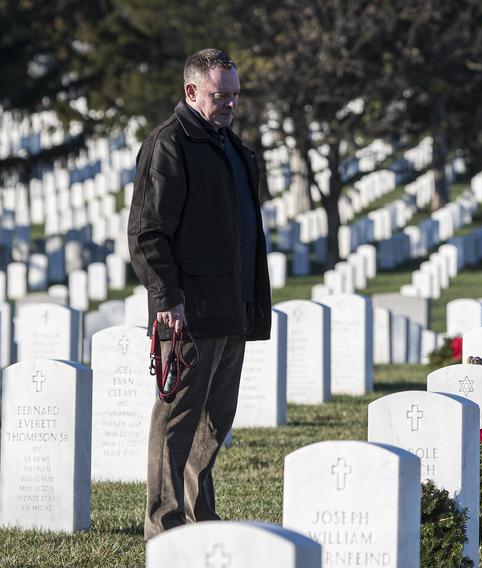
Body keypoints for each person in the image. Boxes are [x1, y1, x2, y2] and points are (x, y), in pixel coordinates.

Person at [127, 48, 272, 541]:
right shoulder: (169, 145)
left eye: (234, 94)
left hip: (233, 305)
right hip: (187, 312)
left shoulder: (230, 146)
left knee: (215, 421)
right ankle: (163, 526)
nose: (230, 103)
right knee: (177, 420)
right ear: (191, 92)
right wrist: (166, 300)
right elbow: (148, 231)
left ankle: (199, 518)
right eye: (219, 95)